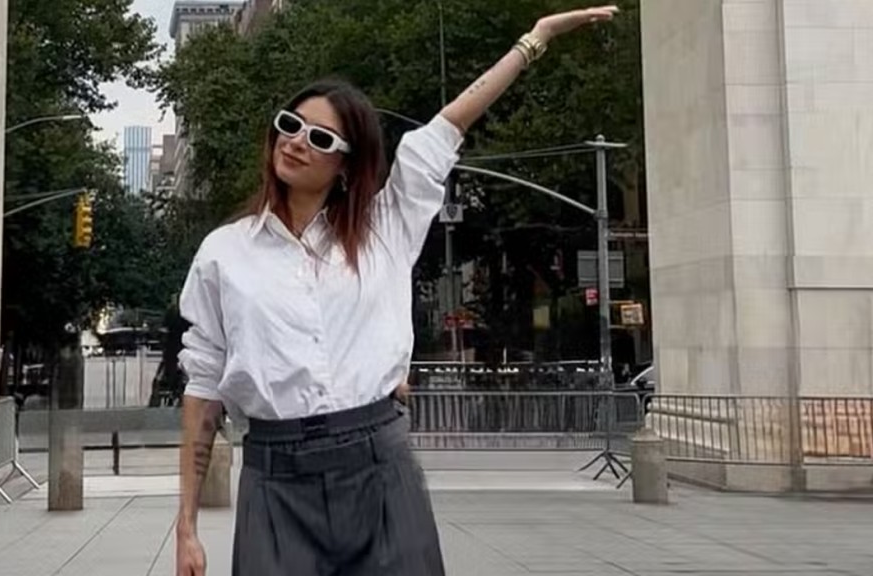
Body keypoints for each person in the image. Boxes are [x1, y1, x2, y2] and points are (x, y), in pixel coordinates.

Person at [176, 7, 620, 575]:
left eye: (319, 137)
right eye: (290, 124)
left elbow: (450, 124)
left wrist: (534, 41)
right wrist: (186, 526)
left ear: (346, 165)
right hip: (274, 477)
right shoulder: (224, 253)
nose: (296, 142)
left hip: (378, 467)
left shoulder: (387, 227)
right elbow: (204, 389)